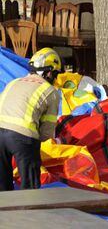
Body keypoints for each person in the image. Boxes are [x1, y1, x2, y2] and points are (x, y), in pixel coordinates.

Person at [0, 48, 61, 191]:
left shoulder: (14, 82)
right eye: (56, 74)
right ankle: (29, 212)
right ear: (50, 72)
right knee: (30, 189)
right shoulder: (50, 91)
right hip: (23, 137)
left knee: (2, 186)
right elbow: (46, 133)